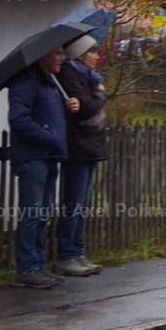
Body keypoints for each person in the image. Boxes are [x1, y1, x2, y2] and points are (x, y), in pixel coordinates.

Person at [7, 45, 80, 288]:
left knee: (42, 214)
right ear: (42, 55)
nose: (62, 58)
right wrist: (49, 137)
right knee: (32, 213)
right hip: (33, 158)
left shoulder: (49, 81)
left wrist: (69, 109)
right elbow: (19, 119)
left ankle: (38, 266)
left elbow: (48, 117)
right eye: (58, 53)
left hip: (48, 156)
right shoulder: (25, 83)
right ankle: (26, 268)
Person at [55, 36, 110, 276]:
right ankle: (67, 255)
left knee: (82, 203)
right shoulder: (70, 74)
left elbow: (88, 104)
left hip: (88, 145)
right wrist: (101, 94)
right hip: (77, 145)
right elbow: (85, 107)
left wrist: (95, 94)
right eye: (93, 52)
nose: (97, 57)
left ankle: (77, 252)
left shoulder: (86, 76)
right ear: (79, 54)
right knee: (74, 203)